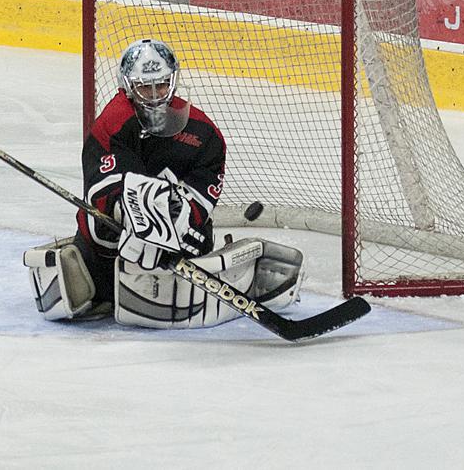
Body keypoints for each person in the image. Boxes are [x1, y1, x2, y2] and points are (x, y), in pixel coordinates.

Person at [23, 38, 304, 328]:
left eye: (162, 84)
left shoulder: (204, 134)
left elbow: (201, 195)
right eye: (145, 87)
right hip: (110, 249)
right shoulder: (114, 123)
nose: (156, 95)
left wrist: (181, 222)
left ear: (173, 82)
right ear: (128, 87)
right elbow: (103, 193)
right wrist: (137, 219)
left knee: (192, 242)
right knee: (96, 235)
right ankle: (106, 288)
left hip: (177, 255)